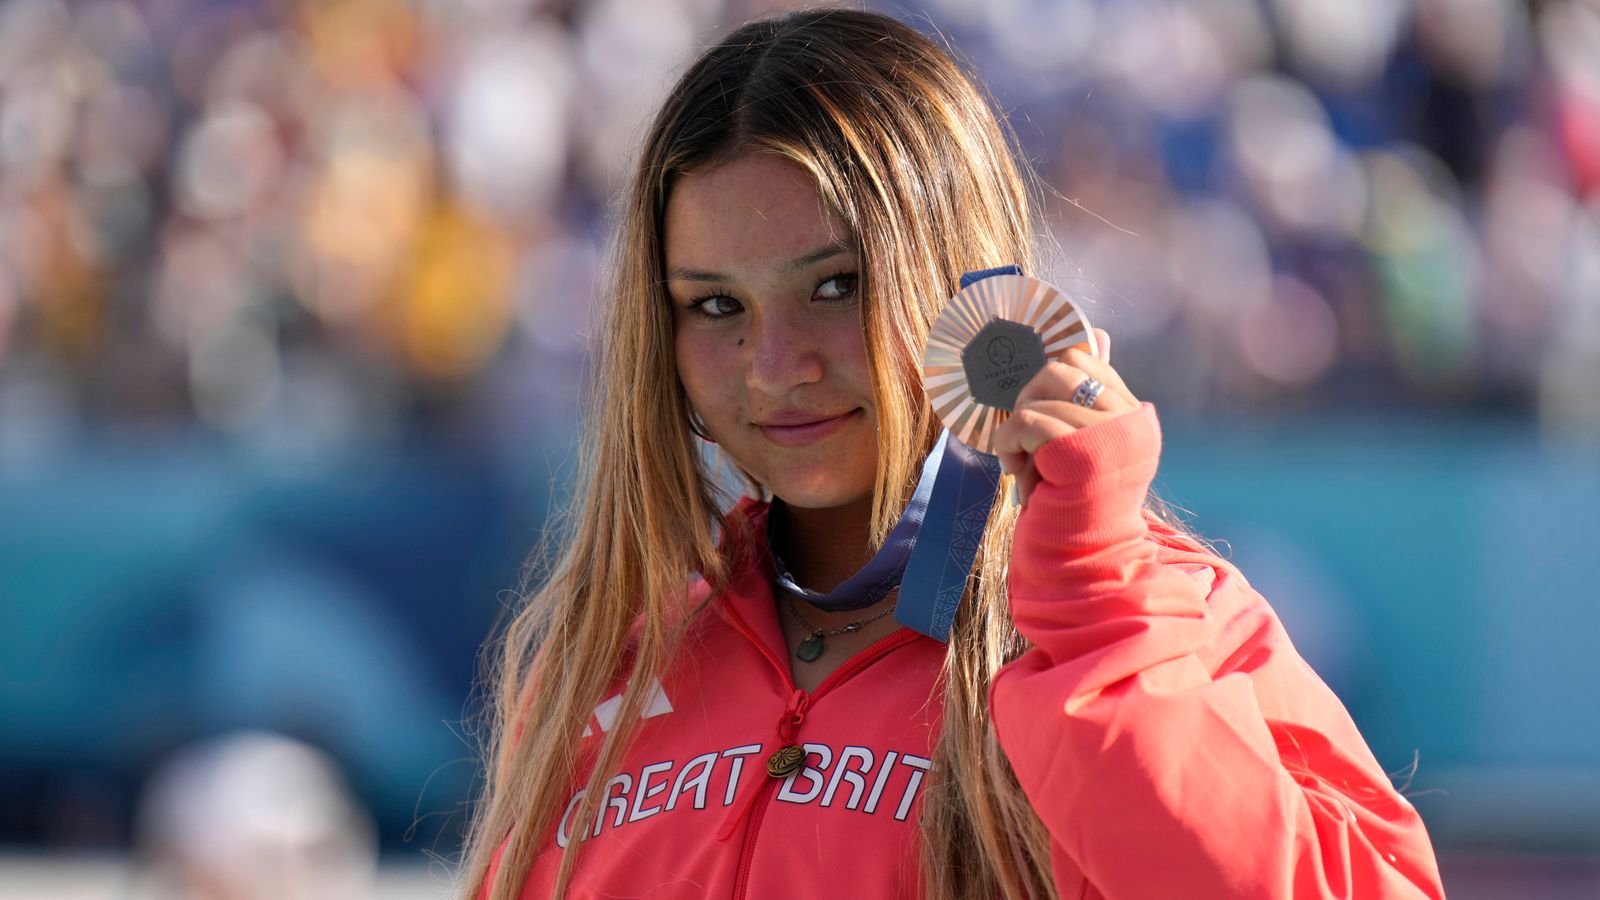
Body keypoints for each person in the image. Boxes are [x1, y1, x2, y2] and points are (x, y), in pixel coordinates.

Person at [461, 9, 1445, 899]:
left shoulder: (1157, 622)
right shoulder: (609, 663)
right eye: (715, 305)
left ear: (967, 297)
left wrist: (1091, 617)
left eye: (836, 286)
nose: (773, 366)